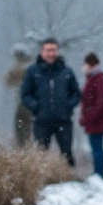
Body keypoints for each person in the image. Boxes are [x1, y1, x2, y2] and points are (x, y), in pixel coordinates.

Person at [20, 37, 81, 166]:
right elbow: (25, 94)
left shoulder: (66, 71)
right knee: (40, 155)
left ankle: (69, 179)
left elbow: (76, 93)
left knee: (67, 155)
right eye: (48, 50)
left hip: (63, 120)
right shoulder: (33, 71)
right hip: (42, 121)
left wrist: (68, 106)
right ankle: (40, 181)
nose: (51, 53)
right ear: (42, 52)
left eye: (53, 50)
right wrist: (36, 107)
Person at [79, 52, 103, 178]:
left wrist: (88, 118)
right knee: (96, 148)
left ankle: (99, 174)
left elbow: (100, 103)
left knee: (97, 149)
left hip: (97, 122)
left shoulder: (98, 80)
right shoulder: (94, 79)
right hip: (95, 121)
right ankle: (98, 173)